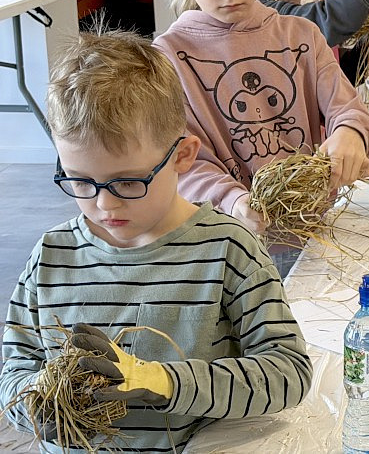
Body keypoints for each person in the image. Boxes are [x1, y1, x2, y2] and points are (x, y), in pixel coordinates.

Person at [0, 29, 311, 451]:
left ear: (182, 156)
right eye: (79, 181)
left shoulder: (228, 250)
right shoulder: (52, 256)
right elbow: (14, 370)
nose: (104, 204)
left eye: (127, 181)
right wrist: (38, 402)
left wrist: (160, 379)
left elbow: (288, 373)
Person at [155, 0, 369, 274]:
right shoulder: (169, 57)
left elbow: (351, 111)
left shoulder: (301, 36)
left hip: (314, 234)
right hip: (227, 247)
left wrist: (351, 135)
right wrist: (233, 200)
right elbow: (180, 163)